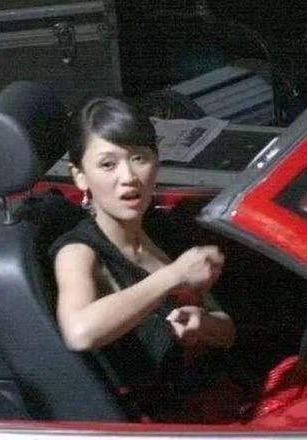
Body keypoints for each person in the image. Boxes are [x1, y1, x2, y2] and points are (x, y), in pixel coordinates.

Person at [51, 97, 246, 423]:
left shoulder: (161, 229)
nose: (129, 176)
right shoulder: (78, 252)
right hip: (167, 423)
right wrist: (173, 277)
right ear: (81, 176)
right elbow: (79, 331)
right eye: (108, 165)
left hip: (223, 397)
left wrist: (205, 325)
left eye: (139, 158)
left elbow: (227, 331)